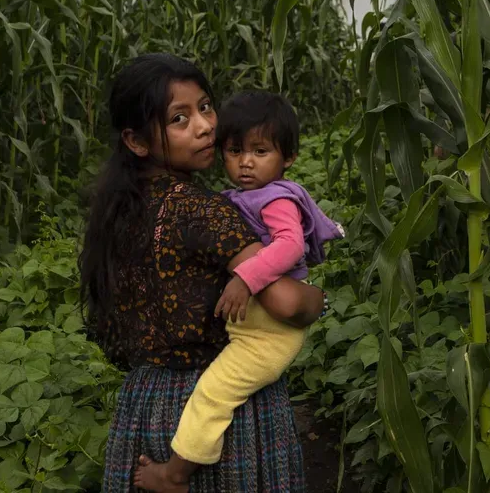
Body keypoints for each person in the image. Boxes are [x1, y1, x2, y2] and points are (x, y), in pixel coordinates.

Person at [81, 54, 325, 493]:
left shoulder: (121, 210)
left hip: (145, 402)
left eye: (206, 107)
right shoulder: (202, 210)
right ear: (137, 141)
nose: (205, 126)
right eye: (180, 118)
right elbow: (286, 302)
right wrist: (318, 298)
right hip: (222, 415)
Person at [134, 91, 343, 492]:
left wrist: (246, 277)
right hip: (261, 327)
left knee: (213, 396)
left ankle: (175, 475)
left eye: (260, 151)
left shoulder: (277, 197)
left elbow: (289, 246)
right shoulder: (242, 197)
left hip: (269, 333)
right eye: (234, 151)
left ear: (288, 158)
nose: (245, 162)